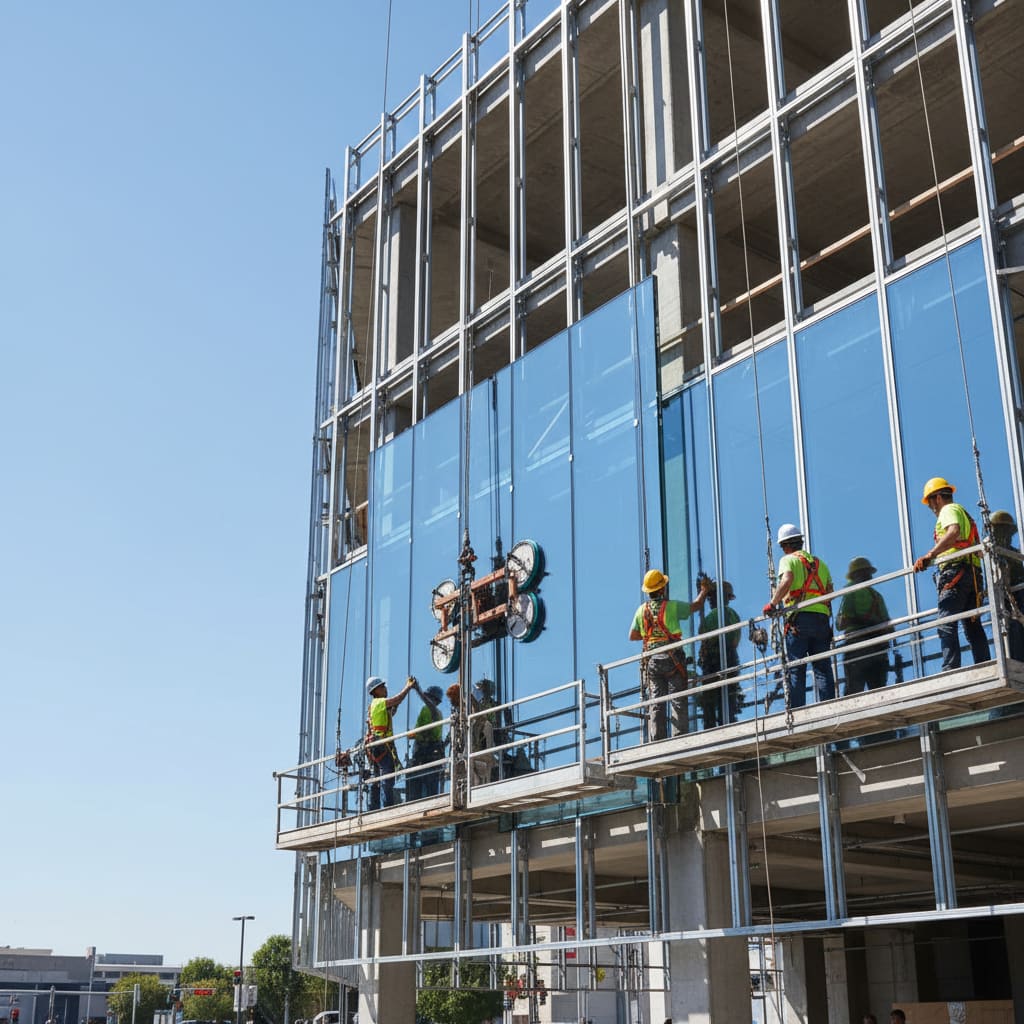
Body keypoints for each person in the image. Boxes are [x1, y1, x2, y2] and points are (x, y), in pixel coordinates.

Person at [913, 476, 990, 670]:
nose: (931, 508)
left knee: (946, 622)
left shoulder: (948, 510)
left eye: (930, 503)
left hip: (956, 573)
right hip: (972, 575)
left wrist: (930, 555)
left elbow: (953, 532)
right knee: (972, 626)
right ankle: (984, 665)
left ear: (938, 498)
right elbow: (977, 550)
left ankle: (950, 669)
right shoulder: (964, 515)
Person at [629, 568, 712, 741]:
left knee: (656, 701)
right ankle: (679, 738)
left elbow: (633, 635)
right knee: (677, 698)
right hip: (672, 658)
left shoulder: (641, 611)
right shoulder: (672, 607)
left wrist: (651, 635)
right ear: (661, 589)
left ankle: (657, 739)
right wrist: (704, 590)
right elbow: (696, 606)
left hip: (653, 661)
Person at [764, 523, 835, 708]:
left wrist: (773, 604)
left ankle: (797, 710)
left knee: (796, 668)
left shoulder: (788, 560)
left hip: (799, 621)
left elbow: (787, 579)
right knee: (822, 667)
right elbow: (830, 592)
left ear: (786, 546)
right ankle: (829, 706)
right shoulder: (821, 564)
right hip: (821, 619)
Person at [836, 557, 893, 696]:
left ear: (854, 575)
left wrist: (857, 622)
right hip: (878, 647)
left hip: (857, 646)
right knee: (878, 691)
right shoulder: (877, 596)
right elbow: (888, 625)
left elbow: (841, 623)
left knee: (853, 693)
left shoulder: (851, 592)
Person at [364, 674, 416, 810]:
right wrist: (408, 687)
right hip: (380, 745)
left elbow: (392, 710)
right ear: (375, 691)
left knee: (379, 776)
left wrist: (401, 696)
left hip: (377, 746)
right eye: (382, 687)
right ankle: (387, 805)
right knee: (387, 775)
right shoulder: (378, 702)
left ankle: (376, 807)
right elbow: (397, 699)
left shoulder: (376, 706)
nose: (385, 689)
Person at [697, 579, 741, 728]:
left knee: (710, 699)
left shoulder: (715, 615)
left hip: (713, 660)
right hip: (731, 658)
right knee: (728, 697)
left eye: (711, 597)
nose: (710, 600)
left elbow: (702, 633)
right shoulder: (734, 615)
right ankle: (727, 723)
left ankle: (710, 726)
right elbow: (735, 641)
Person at [991, 509, 1024, 660]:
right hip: (1009, 601)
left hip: (1017, 598)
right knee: (1012, 629)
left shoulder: (1011, 554)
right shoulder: (995, 554)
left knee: (1015, 628)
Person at [406, 684, 445, 800]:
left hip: (426, 753)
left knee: (424, 787)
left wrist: (418, 690)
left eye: (428, 697)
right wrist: (414, 734)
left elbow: (427, 732)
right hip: (426, 754)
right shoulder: (433, 712)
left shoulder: (431, 711)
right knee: (427, 787)